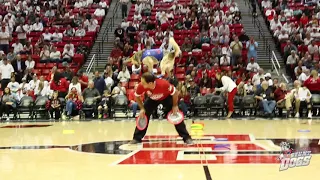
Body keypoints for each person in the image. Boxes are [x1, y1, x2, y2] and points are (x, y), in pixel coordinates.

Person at [130, 72, 193, 145]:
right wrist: (142, 108)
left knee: (176, 115)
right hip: (152, 99)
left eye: (143, 82)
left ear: (150, 83)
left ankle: (187, 138)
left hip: (166, 97)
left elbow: (175, 93)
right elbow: (137, 97)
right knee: (143, 116)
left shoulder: (164, 84)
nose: (141, 84)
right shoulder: (141, 86)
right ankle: (136, 138)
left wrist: (175, 105)